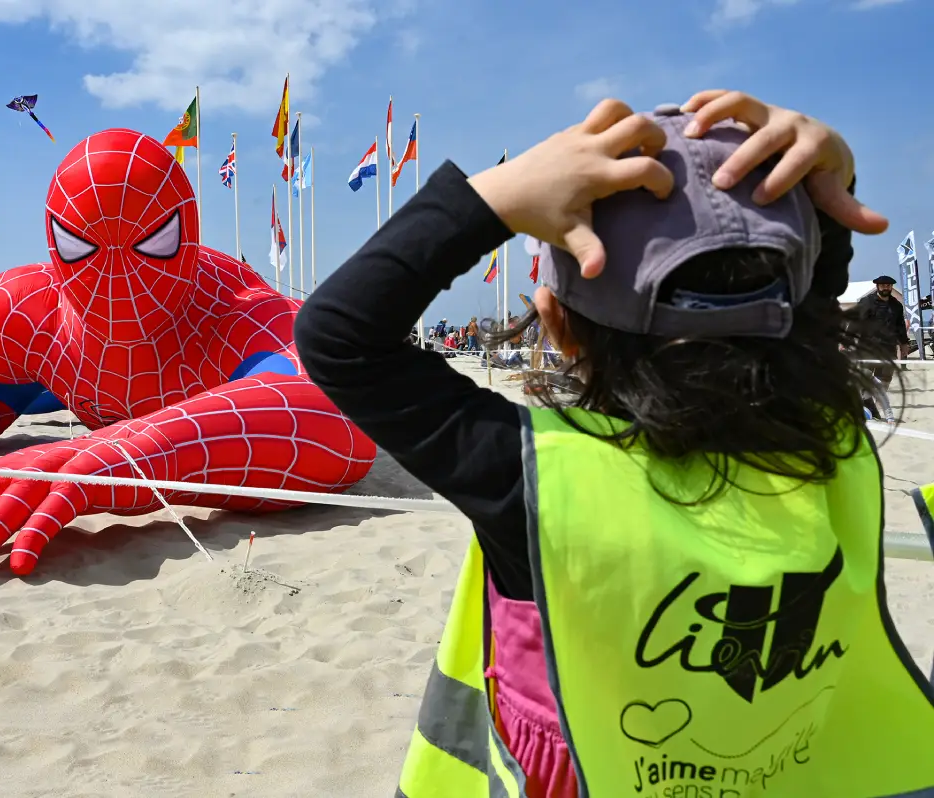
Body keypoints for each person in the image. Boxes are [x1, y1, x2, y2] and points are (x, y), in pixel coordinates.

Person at [295, 92, 934, 796]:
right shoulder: (835, 446)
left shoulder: (539, 479)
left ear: (557, 327)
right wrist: (829, 185)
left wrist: (499, 194)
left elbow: (338, 337)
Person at [856, 275, 908, 419]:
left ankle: (870, 405)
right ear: (877, 286)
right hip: (867, 348)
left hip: (888, 348)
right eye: (883, 285)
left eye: (889, 285)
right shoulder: (866, 302)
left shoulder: (896, 305)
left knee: (884, 380)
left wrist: (904, 343)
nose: (886, 287)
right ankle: (868, 407)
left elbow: (900, 326)